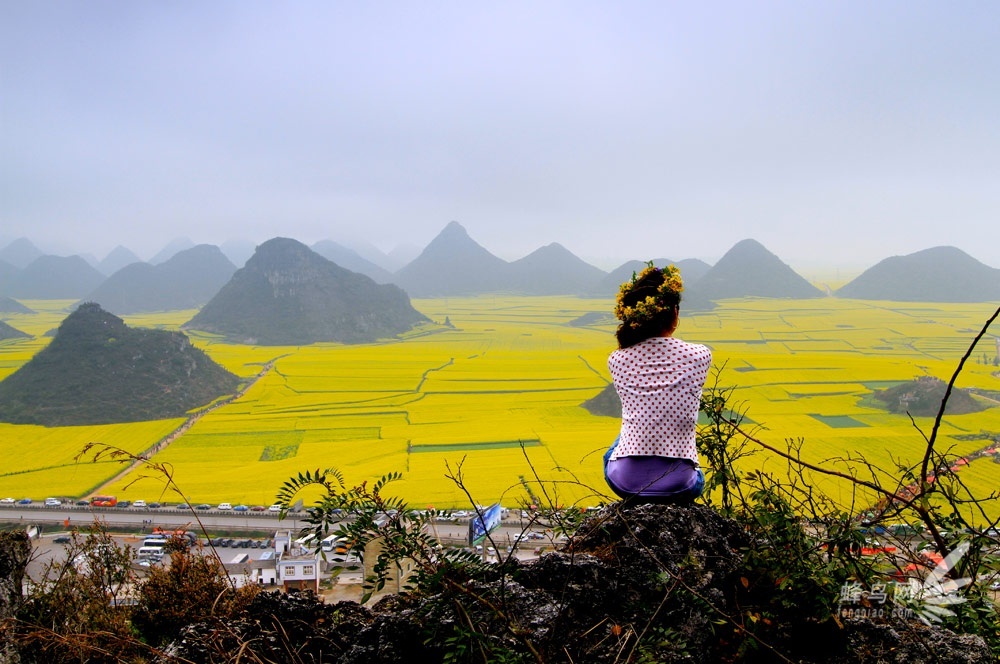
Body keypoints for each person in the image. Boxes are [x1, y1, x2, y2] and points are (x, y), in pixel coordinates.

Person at [603, 262, 712, 503]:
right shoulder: (700, 355)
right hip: (681, 485)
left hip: (625, 482)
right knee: (696, 472)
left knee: (618, 444)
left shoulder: (617, 359)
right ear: (674, 313)